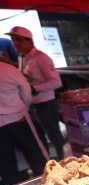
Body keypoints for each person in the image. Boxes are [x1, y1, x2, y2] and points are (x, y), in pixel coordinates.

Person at [7, 26, 64, 160]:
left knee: (53, 133)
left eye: (18, 40)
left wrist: (34, 88)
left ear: (29, 41)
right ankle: (47, 160)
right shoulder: (22, 57)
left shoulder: (41, 58)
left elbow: (56, 82)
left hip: (45, 103)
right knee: (39, 134)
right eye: (13, 40)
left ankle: (62, 159)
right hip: (31, 103)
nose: (15, 44)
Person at [0, 60, 46, 185]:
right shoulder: (8, 69)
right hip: (18, 118)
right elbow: (26, 91)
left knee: (6, 163)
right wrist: (23, 107)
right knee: (35, 155)